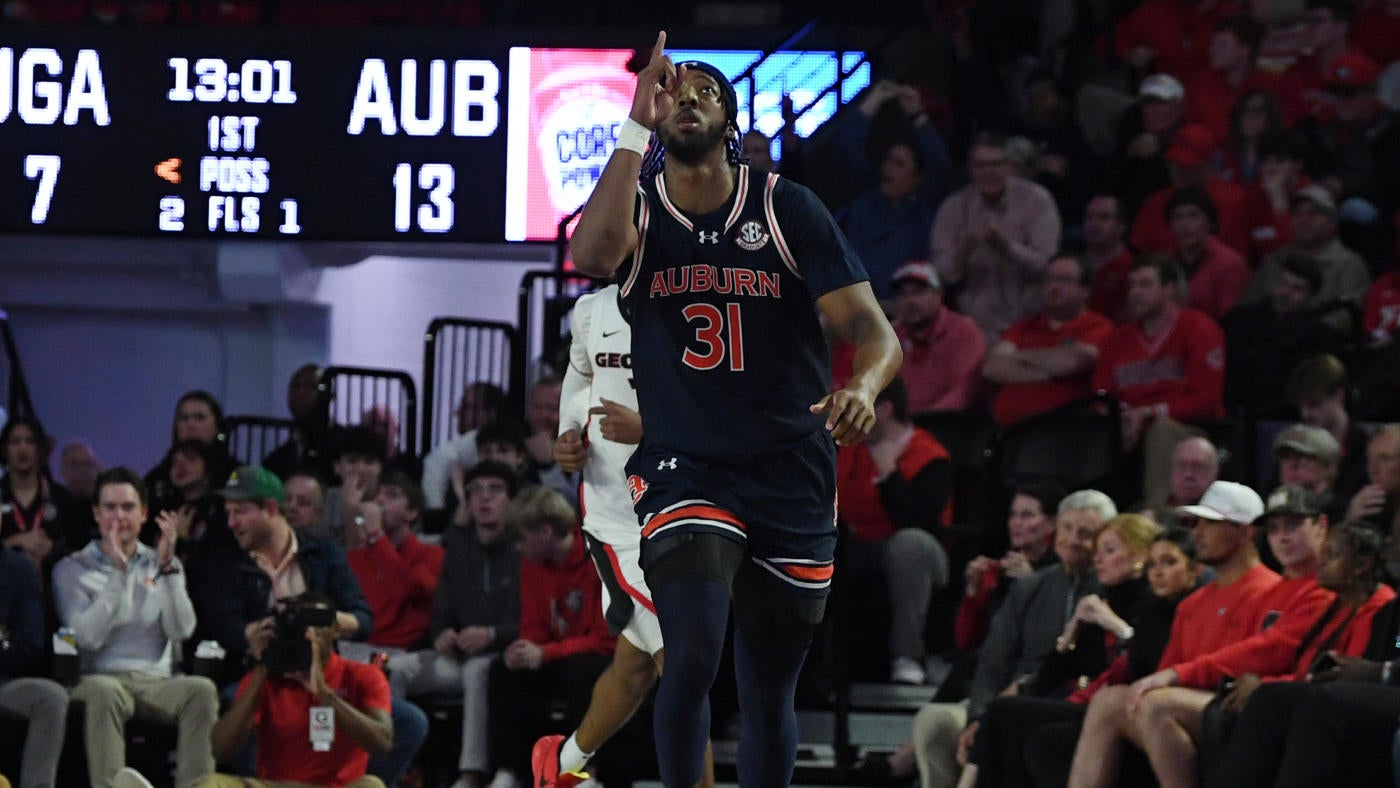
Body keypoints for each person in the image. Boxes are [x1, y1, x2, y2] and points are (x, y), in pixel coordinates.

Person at [568, 32, 903, 787]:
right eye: (674, 94)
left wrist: (863, 387)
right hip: (688, 466)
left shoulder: (788, 207)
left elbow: (874, 332)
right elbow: (592, 256)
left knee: (767, 685)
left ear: (731, 118)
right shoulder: (642, 211)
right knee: (687, 655)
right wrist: (632, 121)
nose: (686, 102)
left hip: (791, 465)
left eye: (704, 94)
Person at [533, 283, 716, 787]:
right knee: (683, 665)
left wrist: (650, 427)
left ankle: (561, 763)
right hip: (618, 520)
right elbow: (579, 374)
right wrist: (569, 432)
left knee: (636, 666)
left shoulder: (700, 302)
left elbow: (722, 408)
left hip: (686, 507)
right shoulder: (592, 309)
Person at [1124, 485, 1349, 788]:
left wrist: (1179, 674)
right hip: (1259, 701)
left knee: (1156, 705)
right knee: (1110, 703)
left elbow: (1276, 651)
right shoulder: (1275, 590)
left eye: (1293, 526)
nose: (1282, 537)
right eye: (1273, 528)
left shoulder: (1320, 592)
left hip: (1291, 709)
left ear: (1321, 526)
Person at [1065, 481, 1278, 788]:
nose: (1199, 533)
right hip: (1184, 708)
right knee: (1108, 700)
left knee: (1156, 705)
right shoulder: (1193, 603)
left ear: (1246, 533)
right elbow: (1168, 669)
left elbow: (1260, 663)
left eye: (1211, 523)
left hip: (1234, 709)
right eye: (1197, 523)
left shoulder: (1271, 592)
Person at [910, 490, 1117, 787]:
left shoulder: (1112, 590)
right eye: (1067, 528)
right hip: (1007, 698)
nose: (1073, 539)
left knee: (1013, 725)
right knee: (935, 721)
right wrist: (977, 718)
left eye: (1086, 533)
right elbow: (992, 661)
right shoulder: (1029, 588)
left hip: (1061, 701)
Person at [991, 528, 1208, 788]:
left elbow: (1168, 668)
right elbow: (1112, 670)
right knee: (1005, 711)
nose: (1157, 572)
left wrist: (1119, 629)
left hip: (1152, 707)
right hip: (1112, 701)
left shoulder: (1192, 609)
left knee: (1043, 737)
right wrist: (1072, 630)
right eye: (1153, 564)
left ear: (1195, 569)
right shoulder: (1149, 610)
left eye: (1168, 562)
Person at [961, 513, 1160, 788]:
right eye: (1098, 551)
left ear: (1140, 555)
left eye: (1110, 550)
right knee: (1002, 711)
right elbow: (1047, 678)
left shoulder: (1151, 604)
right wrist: (1070, 633)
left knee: (1016, 720)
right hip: (1073, 698)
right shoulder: (1097, 599)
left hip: (1110, 706)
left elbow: (1144, 662)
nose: (1098, 558)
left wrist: (1115, 625)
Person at [52, 467, 218, 788]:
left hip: (157, 681)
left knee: (202, 690)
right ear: (96, 514)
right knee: (105, 692)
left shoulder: (163, 563)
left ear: (144, 514)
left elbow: (181, 630)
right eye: (110, 508)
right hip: (97, 677)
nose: (119, 517)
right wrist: (117, 574)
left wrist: (169, 568)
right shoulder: (72, 568)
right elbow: (86, 638)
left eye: (128, 507)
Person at [1211, 524, 1400, 788]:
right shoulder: (1337, 604)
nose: (1321, 563)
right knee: (1263, 700)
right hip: (1335, 689)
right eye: (1322, 554)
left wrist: (1267, 683)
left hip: (1358, 693)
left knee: (1313, 702)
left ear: (1362, 564)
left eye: (1331, 555)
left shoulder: (1378, 606)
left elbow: (1345, 672)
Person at [386, 461, 520, 788]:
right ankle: (396, 767)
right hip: (456, 656)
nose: (484, 498)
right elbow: (442, 610)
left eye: (495, 489)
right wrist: (441, 634)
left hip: (502, 657)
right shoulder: (457, 549)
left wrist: (491, 635)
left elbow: (534, 623)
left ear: (512, 501)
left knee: (478, 670)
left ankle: (470, 774)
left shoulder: (523, 550)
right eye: (475, 491)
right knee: (391, 667)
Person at [488, 487, 614, 787]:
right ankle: (507, 772)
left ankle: (587, 774)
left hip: (599, 658)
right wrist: (524, 649)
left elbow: (604, 639)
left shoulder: (599, 558)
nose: (517, 547)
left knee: (581, 670)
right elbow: (534, 624)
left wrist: (545, 654)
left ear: (545, 532)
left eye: (520, 538)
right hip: (560, 653)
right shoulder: (533, 562)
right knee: (503, 670)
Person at [206, 591, 392, 788]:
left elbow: (382, 743)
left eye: (317, 621)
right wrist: (261, 670)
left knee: (372, 785)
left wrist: (324, 693)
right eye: (300, 624)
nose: (308, 631)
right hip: (278, 785)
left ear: (336, 629)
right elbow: (220, 751)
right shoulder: (266, 678)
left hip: (340, 786)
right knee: (209, 784)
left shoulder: (362, 675)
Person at [835, 375, 951, 685]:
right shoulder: (848, 449)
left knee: (910, 545)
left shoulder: (928, 456)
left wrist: (889, 476)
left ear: (883, 409)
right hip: (858, 546)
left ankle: (907, 656)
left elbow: (919, 523)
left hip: (920, 554)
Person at [930, 131, 1062, 343]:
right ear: (971, 169)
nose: (989, 171)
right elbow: (940, 274)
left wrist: (1006, 246)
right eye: (981, 165)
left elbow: (1045, 265)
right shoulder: (953, 207)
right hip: (973, 324)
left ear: (1009, 166)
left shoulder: (1038, 201)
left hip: (1028, 322)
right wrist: (964, 251)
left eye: (997, 164)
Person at [1092, 255, 1226, 456]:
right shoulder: (1117, 338)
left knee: (1160, 431)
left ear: (1169, 288)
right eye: (1133, 285)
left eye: (1145, 284)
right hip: (1128, 429)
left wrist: (1150, 413)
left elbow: (1205, 400)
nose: (1136, 292)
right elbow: (1101, 394)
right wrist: (1120, 418)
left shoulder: (1198, 328)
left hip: (1190, 429)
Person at [983, 253, 1114, 426]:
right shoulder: (1023, 326)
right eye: (1049, 279)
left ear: (1085, 291)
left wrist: (1018, 357)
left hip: (1063, 430)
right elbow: (992, 368)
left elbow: (1073, 363)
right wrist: (1054, 372)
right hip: (1008, 430)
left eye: (1064, 280)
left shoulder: (1098, 325)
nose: (1054, 286)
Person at [1222, 252, 1343, 416]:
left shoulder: (1320, 335)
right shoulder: (1240, 319)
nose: (1286, 293)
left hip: (1285, 416)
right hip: (1235, 410)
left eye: (1297, 289)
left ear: (1311, 296)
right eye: (1283, 283)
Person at [345, 471, 444, 651]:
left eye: (391, 495)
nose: (379, 501)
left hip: (402, 652)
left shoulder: (432, 555)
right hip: (355, 647)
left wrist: (376, 536)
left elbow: (408, 589)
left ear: (411, 513)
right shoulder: (356, 558)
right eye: (377, 495)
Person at [0, 546, 69, 788]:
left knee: (51, 697)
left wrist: (6, 643)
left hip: (4, 681)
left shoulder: (18, 569)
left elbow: (30, 642)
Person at [887, 261, 985, 413]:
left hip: (950, 423)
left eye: (918, 292)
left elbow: (964, 390)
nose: (910, 301)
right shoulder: (891, 335)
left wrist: (924, 420)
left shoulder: (963, 331)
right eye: (903, 294)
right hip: (902, 427)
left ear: (938, 295)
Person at [1, 415, 78, 576]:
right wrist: (14, 543)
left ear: (41, 449)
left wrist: (52, 549)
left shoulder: (61, 497)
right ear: (4, 449)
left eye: (30, 441)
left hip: (54, 589)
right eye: (15, 442)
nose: (22, 448)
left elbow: (81, 552)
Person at [421, 382, 511, 512]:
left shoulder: (444, 455)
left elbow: (433, 509)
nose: (457, 412)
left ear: (491, 412)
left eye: (466, 406)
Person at [1164, 185, 1250, 321]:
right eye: (1178, 217)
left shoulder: (1230, 264)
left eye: (1194, 215)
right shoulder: (1164, 263)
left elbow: (1230, 321)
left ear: (1209, 222)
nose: (1185, 224)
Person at [144, 391, 234, 507]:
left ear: (217, 426)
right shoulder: (158, 478)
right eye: (184, 418)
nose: (190, 424)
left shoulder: (235, 475)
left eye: (199, 417)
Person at [261, 364, 328, 482]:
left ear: (329, 394)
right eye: (295, 386)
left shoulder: (343, 446)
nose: (301, 393)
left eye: (310, 386)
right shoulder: (276, 460)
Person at [1084, 194, 1136, 323]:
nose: (1094, 224)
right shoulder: (1074, 265)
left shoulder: (1132, 267)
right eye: (1089, 217)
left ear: (1121, 226)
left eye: (1104, 217)